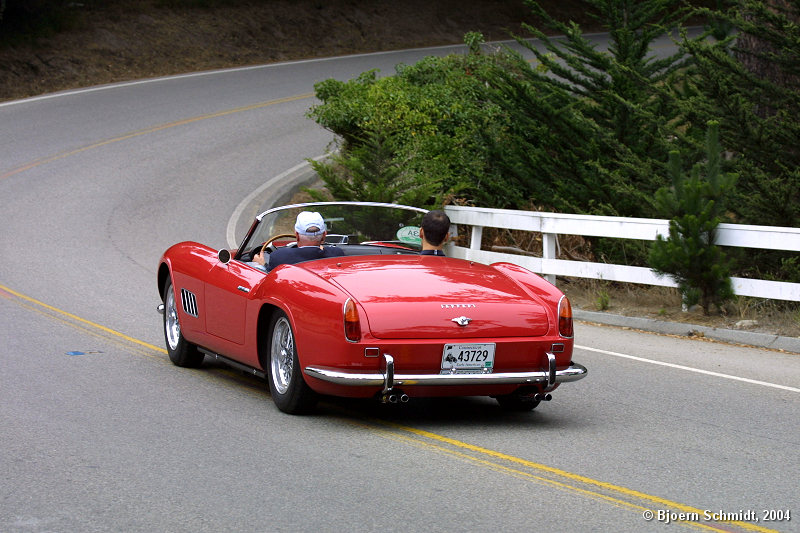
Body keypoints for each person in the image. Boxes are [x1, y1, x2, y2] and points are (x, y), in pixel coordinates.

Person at [266, 211, 344, 271]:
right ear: (324, 235)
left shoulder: (279, 257)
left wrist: (261, 265)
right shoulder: (337, 254)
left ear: (297, 235)